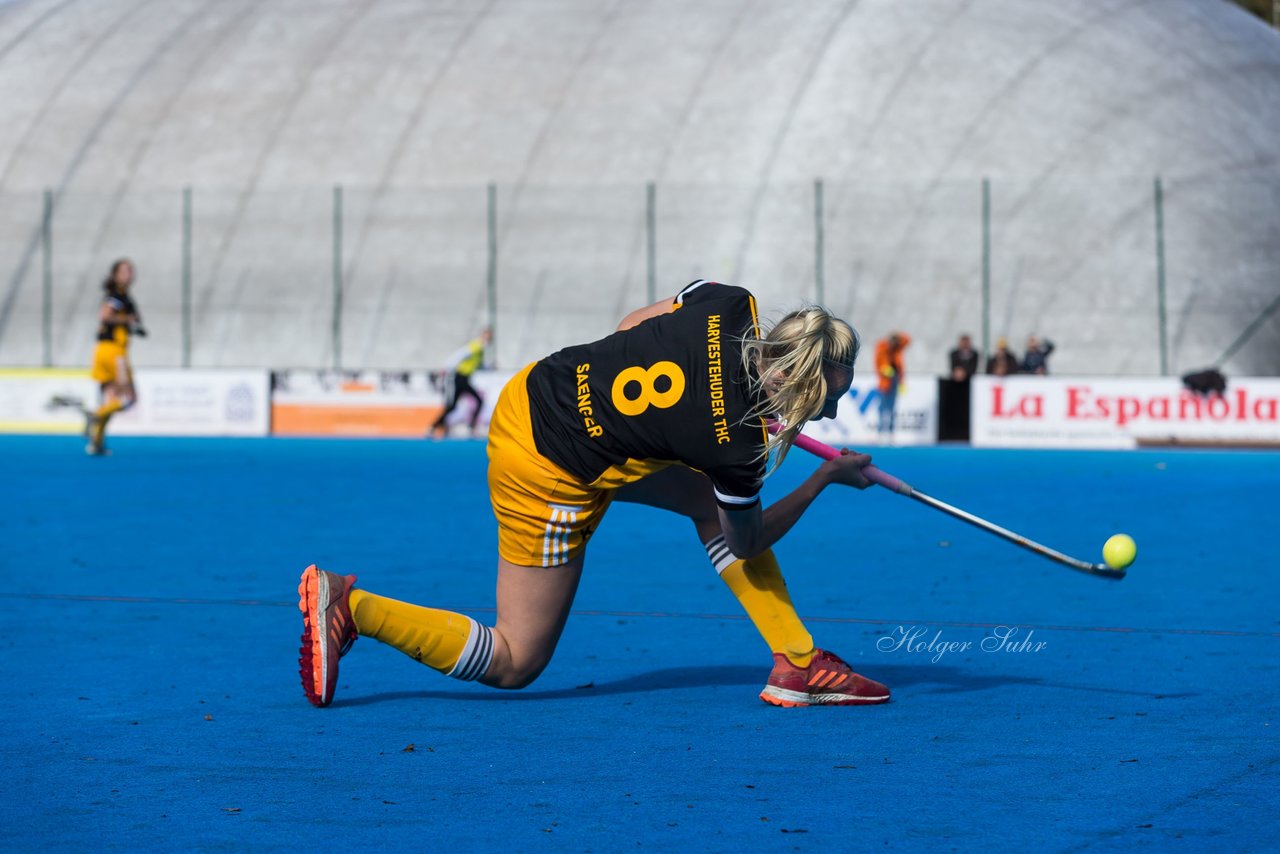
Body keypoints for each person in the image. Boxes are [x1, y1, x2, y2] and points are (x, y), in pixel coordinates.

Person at [298, 280, 889, 709]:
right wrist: (824, 480)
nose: (830, 413)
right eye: (823, 399)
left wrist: (636, 412)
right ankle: (353, 607)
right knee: (515, 660)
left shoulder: (730, 303)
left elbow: (635, 324)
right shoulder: (735, 447)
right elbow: (750, 538)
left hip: (534, 388)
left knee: (704, 503)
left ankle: (799, 661)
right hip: (545, 469)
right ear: (794, 376)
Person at [86, 259, 146, 455]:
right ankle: (95, 415)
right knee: (129, 398)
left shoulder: (121, 296)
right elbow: (104, 315)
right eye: (124, 271)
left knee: (111, 398)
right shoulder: (117, 296)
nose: (129, 275)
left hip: (102, 350)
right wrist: (128, 319)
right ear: (115, 275)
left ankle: (96, 443)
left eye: (131, 271)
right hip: (113, 352)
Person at [428, 328, 492, 438]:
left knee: (479, 401)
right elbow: (459, 355)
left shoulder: (480, 350)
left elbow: (479, 365)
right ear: (482, 336)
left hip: (465, 379)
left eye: (489, 337)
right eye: (487, 336)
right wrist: (446, 368)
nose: (488, 339)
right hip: (458, 378)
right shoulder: (475, 346)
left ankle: (471, 427)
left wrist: (490, 367)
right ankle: (433, 427)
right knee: (452, 406)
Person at [873, 332, 910, 435]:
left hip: (896, 380)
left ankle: (890, 431)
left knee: (892, 407)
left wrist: (898, 336)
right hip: (885, 381)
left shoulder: (898, 349)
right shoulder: (882, 346)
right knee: (883, 406)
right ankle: (880, 430)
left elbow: (907, 340)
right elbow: (879, 362)